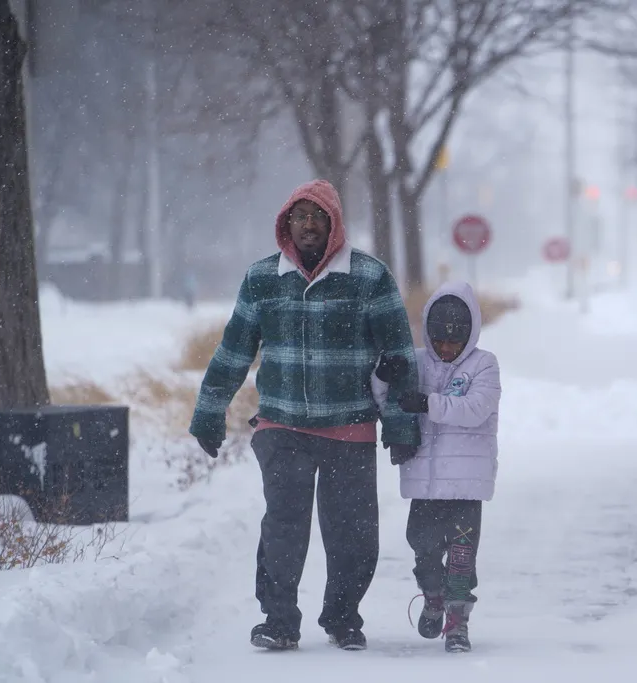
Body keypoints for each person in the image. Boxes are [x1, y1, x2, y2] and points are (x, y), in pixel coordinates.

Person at [188, 179, 421, 652]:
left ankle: (342, 616)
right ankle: (278, 620)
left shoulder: (369, 277)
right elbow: (234, 350)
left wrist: (399, 421)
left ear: (333, 223)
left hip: (349, 426)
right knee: (283, 527)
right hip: (283, 425)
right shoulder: (262, 279)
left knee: (352, 534)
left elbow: (398, 356)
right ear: (286, 224)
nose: (309, 224)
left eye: (318, 215)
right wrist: (210, 408)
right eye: (300, 216)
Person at [372, 281, 501, 653]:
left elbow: (475, 410)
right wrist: (382, 374)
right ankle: (432, 595)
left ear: (470, 334)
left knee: (462, 556)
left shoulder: (484, 365)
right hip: (425, 484)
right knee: (423, 546)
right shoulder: (415, 362)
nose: (446, 349)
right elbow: (384, 399)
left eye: (454, 342)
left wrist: (428, 403)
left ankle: (458, 622)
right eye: (439, 341)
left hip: (465, 487)